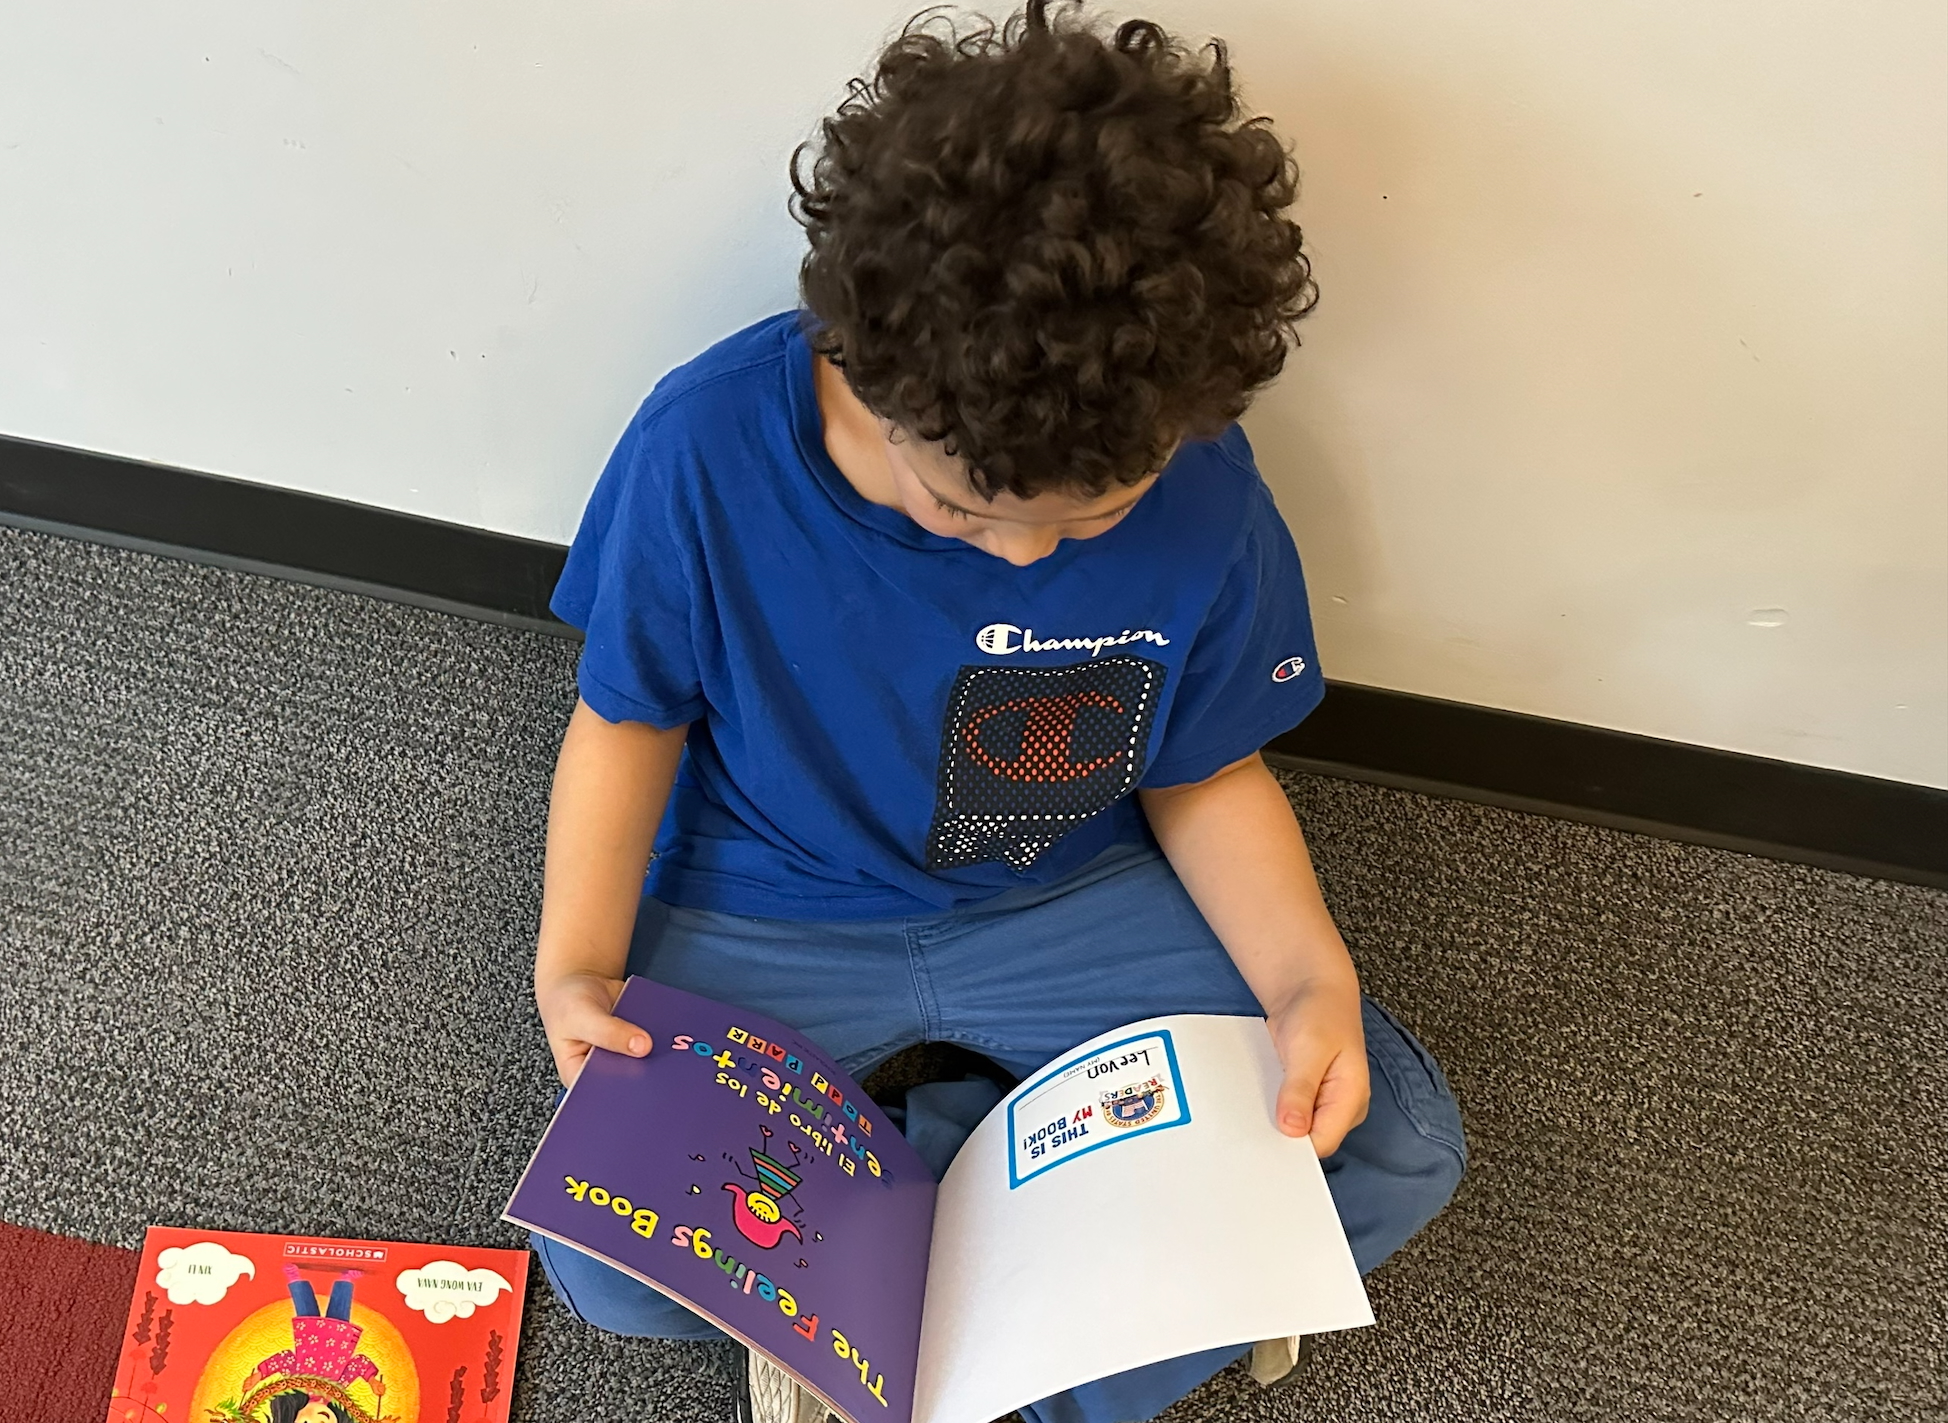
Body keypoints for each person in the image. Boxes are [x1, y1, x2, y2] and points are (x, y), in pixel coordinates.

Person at [527, 5, 1467, 1420]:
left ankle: (972, 1283)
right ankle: (1027, 1221)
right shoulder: (703, 447)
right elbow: (625, 721)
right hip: (771, 894)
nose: (1026, 556)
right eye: (961, 508)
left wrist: (1306, 986)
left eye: (1097, 513)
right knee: (601, 1260)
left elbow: (1206, 772)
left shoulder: (1209, 485)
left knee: (1395, 1143)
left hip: (1066, 891)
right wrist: (574, 965)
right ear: (855, 364)